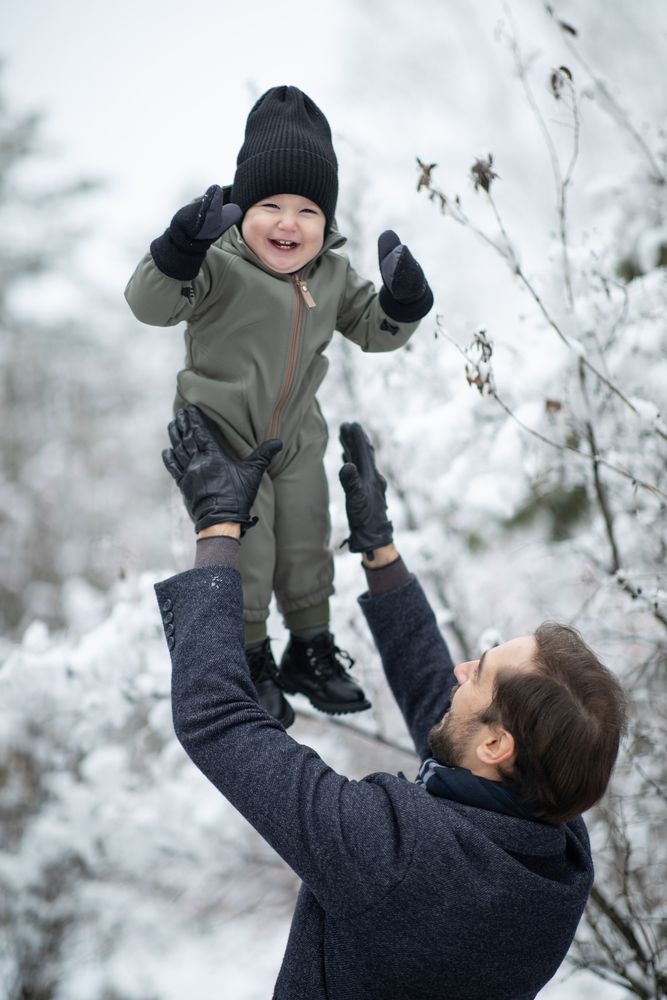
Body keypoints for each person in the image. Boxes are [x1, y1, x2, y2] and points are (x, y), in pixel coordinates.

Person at [156, 407, 628, 1000]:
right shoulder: (558, 847)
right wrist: (380, 553)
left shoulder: (395, 860)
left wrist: (218, 527)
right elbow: (450, 713)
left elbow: (217, 720)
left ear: (497, 743)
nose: (460, 670)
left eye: (477, 671)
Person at [125, 85, 434, 727]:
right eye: (270, 205)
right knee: (253, 549)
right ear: (242, 210)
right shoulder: (216, 266)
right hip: (223, 438)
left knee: (306, 536)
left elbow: (374, 329)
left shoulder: (332, 276)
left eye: (307, 210)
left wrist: (404, 304)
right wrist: (178, 251)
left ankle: (311, 647)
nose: (288, 223)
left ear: (328, 222)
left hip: (296, 432)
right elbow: (149, 306)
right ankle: (252, 655)